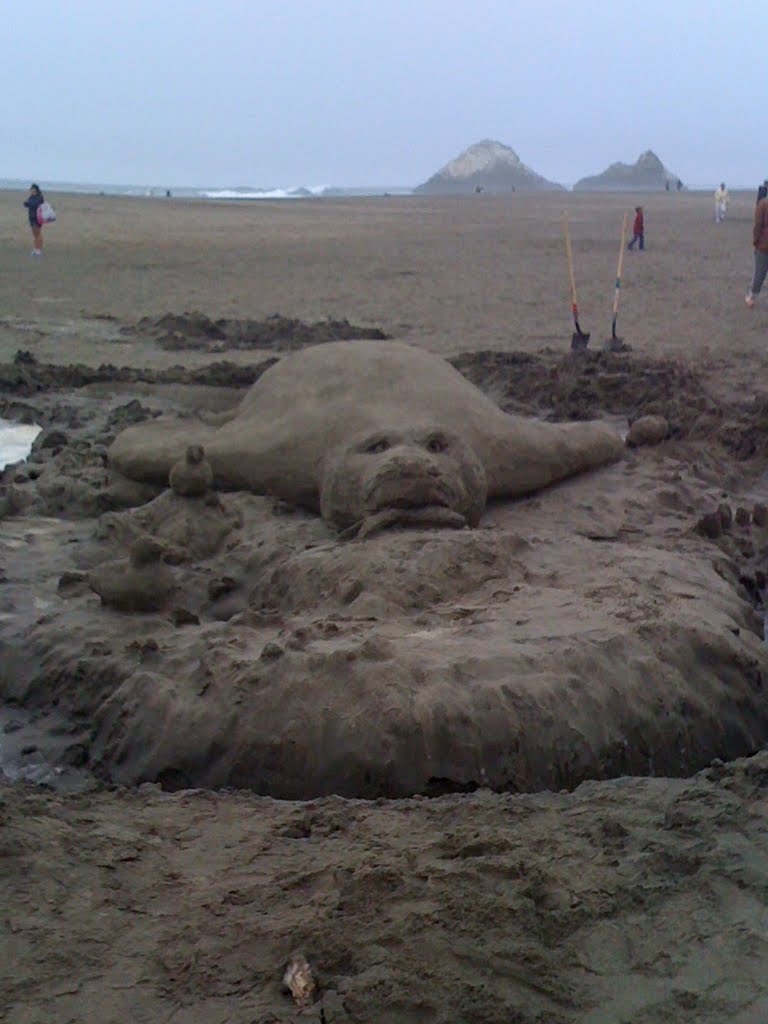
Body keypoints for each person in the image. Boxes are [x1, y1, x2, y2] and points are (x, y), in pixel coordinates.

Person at [745, 193, 768, 308]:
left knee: (760, 272)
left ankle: (752, 297)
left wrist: (755, 241)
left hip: (764, 244)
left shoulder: (763, 203)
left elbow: (758, 225)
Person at [23, 183, 45, 257]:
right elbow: (26, 204)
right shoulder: (31, 197)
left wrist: (29, 203)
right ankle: (36, 249)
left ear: (36, 190)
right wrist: (28, 203)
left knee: (38, 234)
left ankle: (39, 250)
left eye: (32, 190)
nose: (31, 191)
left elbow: (35, 204)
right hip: (31, 218)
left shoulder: (40, 197)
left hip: (38, 218)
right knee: (35, 235)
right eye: (30, 190)